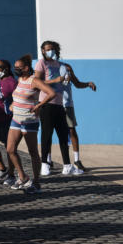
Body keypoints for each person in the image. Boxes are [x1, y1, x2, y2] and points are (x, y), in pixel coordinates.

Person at [5, 54, 56, 191]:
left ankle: (36, 182)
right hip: (16, 119)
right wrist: (13, 105)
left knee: (33, 152)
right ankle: (22, 177)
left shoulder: (35, 81)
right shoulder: (20, 79)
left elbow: (51, 93)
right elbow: (19, 95)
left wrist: (39, 105)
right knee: (10, 149)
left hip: (30, 121)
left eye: (18, 67)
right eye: (15, 67)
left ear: (26, 68)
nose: (16, 69)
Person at [34, 40, 74, 176]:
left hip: (59, 103)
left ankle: (67, 165)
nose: (49, 51)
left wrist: (65, 80)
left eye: (52, 49)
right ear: (43, 51)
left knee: (63, 135)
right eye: (46, 49)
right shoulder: (41, 63)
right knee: (47, 135)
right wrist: (55, 81)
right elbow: (36, 81)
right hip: (46, 103)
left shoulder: (60, 65)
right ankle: (45, 164)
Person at [60, 61, 97, 174]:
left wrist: (87, 84)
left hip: (67, 105)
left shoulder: (66, 67)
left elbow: (77, 83)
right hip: (53, 104)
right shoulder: (48, 67)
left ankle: (77, 160)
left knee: (72, 131)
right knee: (53, 132)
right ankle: (47, 161)